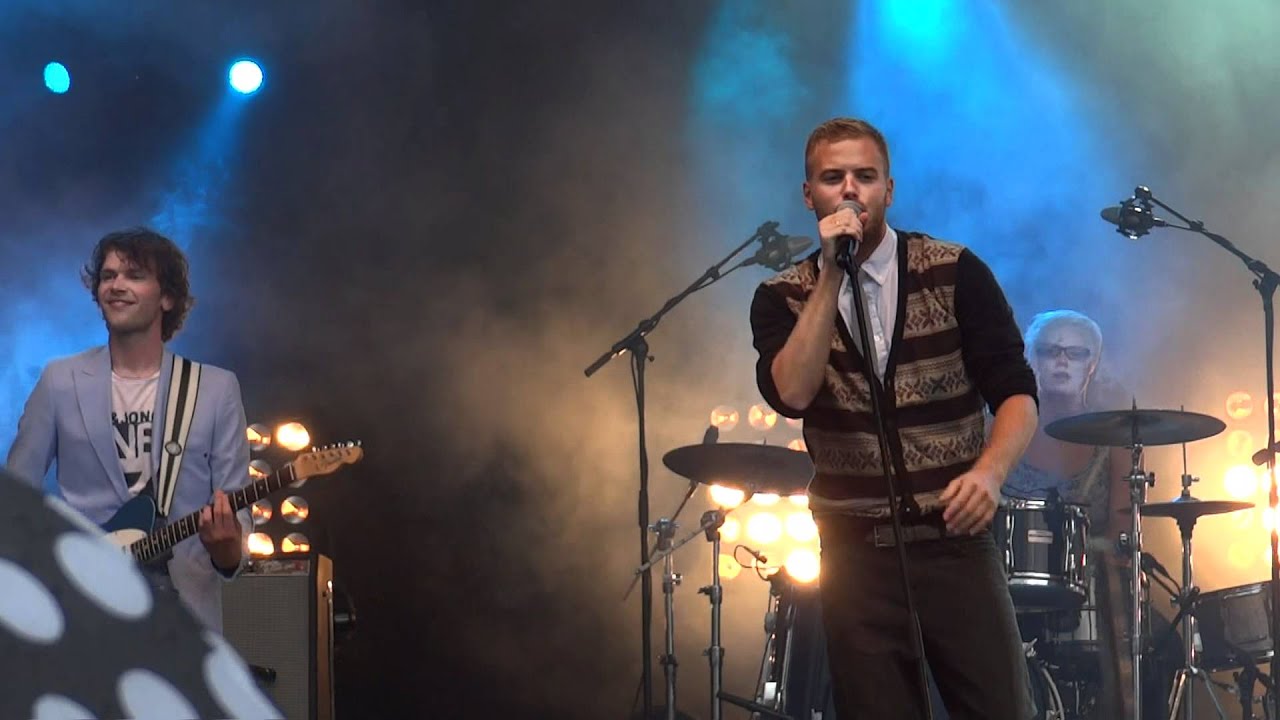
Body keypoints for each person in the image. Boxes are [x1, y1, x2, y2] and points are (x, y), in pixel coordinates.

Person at [750, 117, 1040, 718]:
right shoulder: (783, 295)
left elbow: (1016, 391)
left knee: (1000, 707)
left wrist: (989, 474)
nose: (850, 190)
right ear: (810, 196)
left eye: (865, 176)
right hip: (855, 553)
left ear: (890, 188)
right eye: (833, 178)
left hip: (955, 542)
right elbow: (794, 393)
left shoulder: (954, 271)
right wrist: (830, 273)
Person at [6, 227, 250, 631]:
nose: (116, 285)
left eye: (134, 275)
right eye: (108, 275)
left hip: (184, 619)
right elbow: (14, 500)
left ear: (167, 297)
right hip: (84, 611)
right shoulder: (60, 381)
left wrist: (227, 549)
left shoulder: (214, 389)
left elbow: (235, 520)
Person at [1005, 309, 1176, 718]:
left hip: (1092, 585)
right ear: (1031, 358)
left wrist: (1089, 558)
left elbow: (1122, 534)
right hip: (1009, 588)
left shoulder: (1116, 438)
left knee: (1165, 645)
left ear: (1092, 363)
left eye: (1075, 353)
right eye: (1050, 350)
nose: (1062, 360)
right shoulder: (1000, 427)